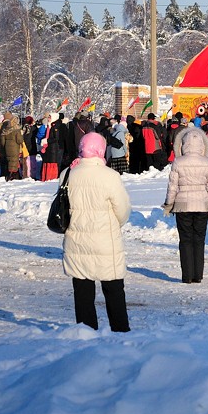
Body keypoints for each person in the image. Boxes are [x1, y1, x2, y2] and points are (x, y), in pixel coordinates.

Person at [62, 132, 132, 332]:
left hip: (77, 240)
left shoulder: (68, 174)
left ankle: (86, 332)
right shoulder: (110, 176)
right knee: (113, 288)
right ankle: (120, 332)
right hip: (105, 241)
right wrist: (114, 224)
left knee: (82, 291)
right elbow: (123, 210)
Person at [162, 128, 208, 283]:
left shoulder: (178, 162)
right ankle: (197, 275)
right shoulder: (207, 162)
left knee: (185, 240)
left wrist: (169, 203)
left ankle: (187, 276)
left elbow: (172, 186)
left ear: (184, 144)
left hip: (182, 205)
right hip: (202, 205)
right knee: (199, 240)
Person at [0, 114, 24, 181]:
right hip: (15, 148)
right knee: (14, 161)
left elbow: (2, 141)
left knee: (9, 161)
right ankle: (13, 176)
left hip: (7, 148)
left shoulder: (5, 129)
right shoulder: (17, 130)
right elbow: (19, 140)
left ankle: (8, 175)